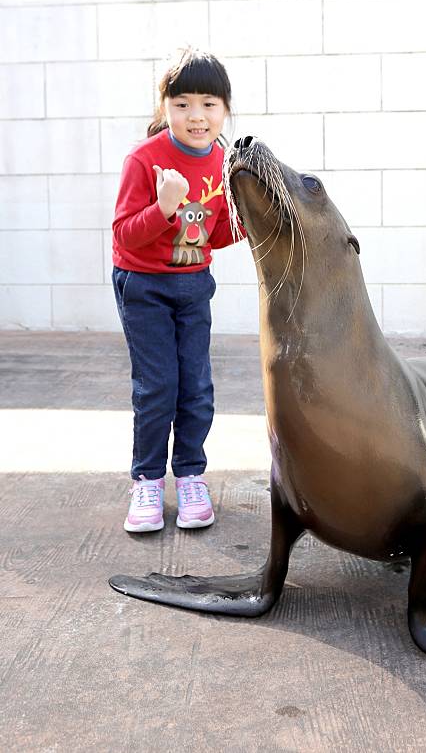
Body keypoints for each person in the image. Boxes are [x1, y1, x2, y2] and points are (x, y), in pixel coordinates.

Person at [111, 46, 245, 533]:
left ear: (225, 109)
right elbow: (125, 234)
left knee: (196, 387)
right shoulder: (144, 160)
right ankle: (147, 479)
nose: (196, 116)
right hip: (142, 284)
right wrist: (164, 206)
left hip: (192, 286)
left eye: (209, 104)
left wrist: (252, 219)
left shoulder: (223, 161)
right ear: (164, 106)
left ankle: (190, 475)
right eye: (183, 103)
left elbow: (218, 232)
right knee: (158, 386)